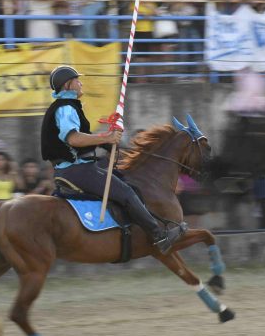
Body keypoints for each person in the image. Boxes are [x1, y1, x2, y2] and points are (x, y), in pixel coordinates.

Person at [40, 66, 184, 254]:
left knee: (124, 181)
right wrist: (106, 138)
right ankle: (159, 236)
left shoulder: (68, 106)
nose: (81, 82)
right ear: (68, 85)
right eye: (77, 80)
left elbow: (80, 141)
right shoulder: (66, 108)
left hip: (77, 166)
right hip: (75, 170)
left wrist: (106, 143)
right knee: (127, 193)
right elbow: (73, 139)